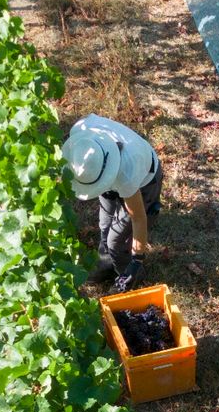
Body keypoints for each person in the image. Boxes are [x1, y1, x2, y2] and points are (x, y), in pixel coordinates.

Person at [61, 113, 163, 293]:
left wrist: (137, 260)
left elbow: (138, 218)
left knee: (117, 240)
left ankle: (128, 277)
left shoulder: (127, 173)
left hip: (144, 181)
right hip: (107, 169)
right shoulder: (81, 134)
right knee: (105, 223)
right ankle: (106, 263)